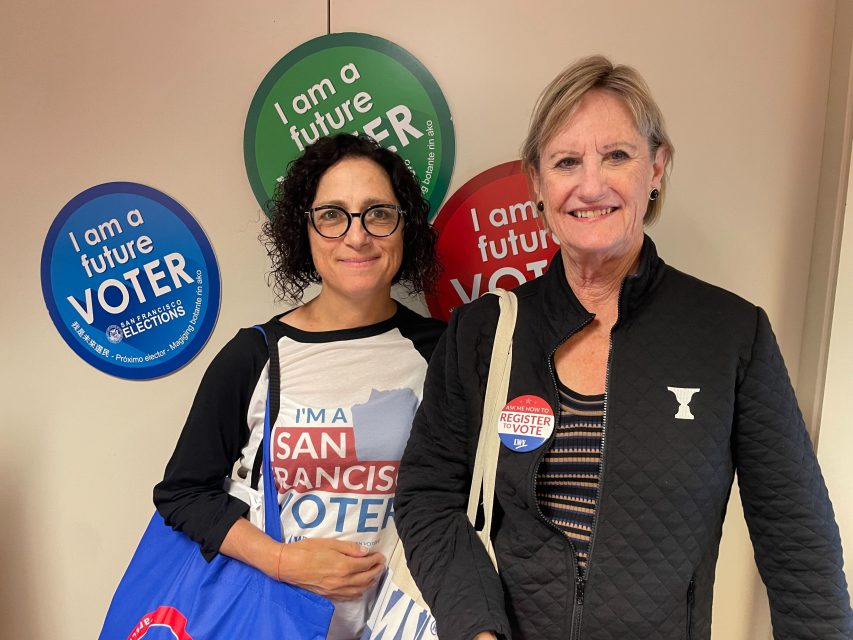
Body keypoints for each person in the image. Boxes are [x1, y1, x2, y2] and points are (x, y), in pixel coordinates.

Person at [394, 55, 853, 640]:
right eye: (566, 162)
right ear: (537, 182)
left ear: (656, 166)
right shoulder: (482, 332)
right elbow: (427, 497)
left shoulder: (731, 334)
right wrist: (477, 629)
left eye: (617, 155)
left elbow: (798, 542)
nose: (591, 185)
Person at [154, 133, 445, 639]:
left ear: (405, 228)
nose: (357, 237)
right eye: (333, 215)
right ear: (304, 231)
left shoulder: (443, 351)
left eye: (378, 213)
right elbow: (183, 494)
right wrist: (283, 561)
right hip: (270, 622)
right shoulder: (254, 355)